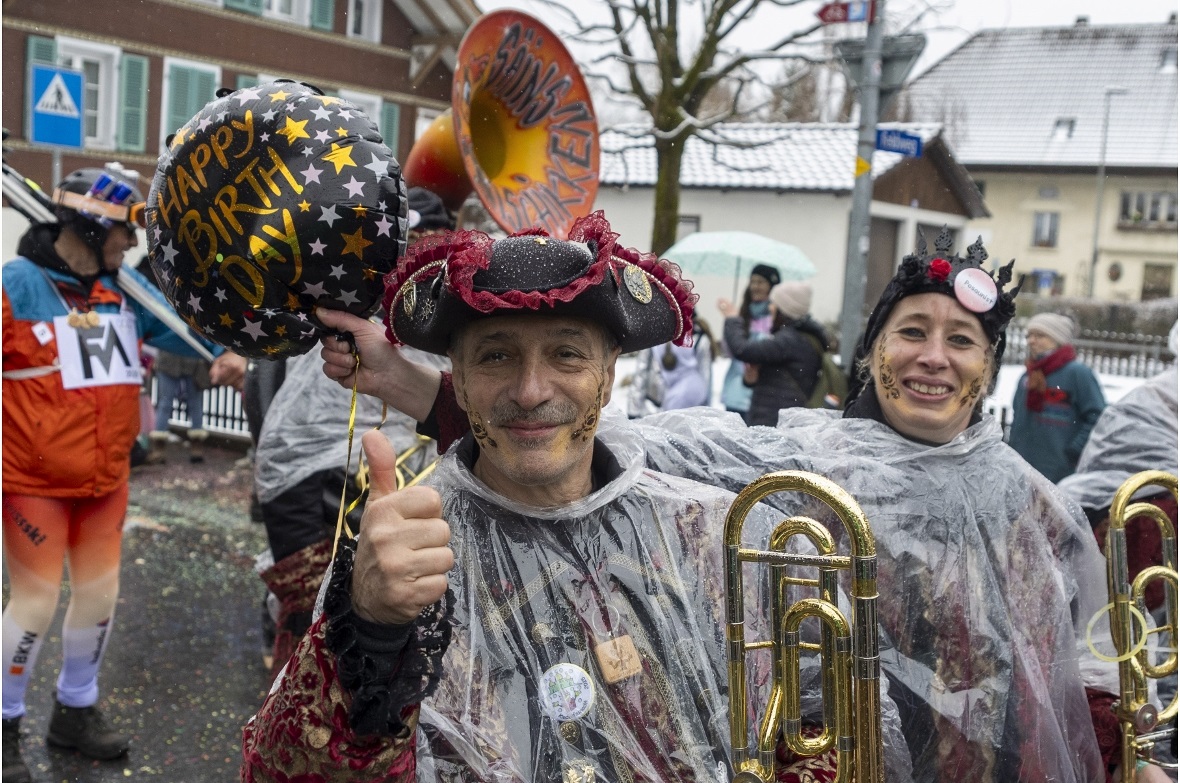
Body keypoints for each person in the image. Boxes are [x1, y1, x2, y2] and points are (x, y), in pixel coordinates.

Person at [370, 228, 1168, 783]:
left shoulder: (1035, 503)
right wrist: (420, 387)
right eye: (910, 331)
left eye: (962, 340)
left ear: (989, 365)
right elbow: (584, 450)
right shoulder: (792, 462)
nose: (933, 357)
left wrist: (1131, 753)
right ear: (872, 350)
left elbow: (1086, 662)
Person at [241, 213, 915, 782]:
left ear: (609, 374)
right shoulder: (404, 558)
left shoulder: (706, 533)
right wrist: (371, 629)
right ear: (461, 379)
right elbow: (286, 770)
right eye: (496, 356)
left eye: (566, 354)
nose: (531, 390)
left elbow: (831, 733)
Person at [1, 166, 246, 783]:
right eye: (126, 229)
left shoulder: (125, 291)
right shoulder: (17, 284)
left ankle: (75, 710)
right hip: (34, 483)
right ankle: (4, 723)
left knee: (99, 598)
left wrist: (227, 353)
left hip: (106, 481)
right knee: (34, 605)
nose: (133, 242)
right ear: (91, 225)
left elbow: (186, 331)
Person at [1008, 312, 1106, 482]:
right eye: (1029, 336)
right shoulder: (1028, 376)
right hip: (1022, 471)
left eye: (1039, 336)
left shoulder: (1077, 374)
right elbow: (1018, 417)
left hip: (1061, 474)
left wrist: (1073, 452)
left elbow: (1098, 417)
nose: (1031, 341)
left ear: (1057, 339)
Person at [718, 279, 830, 426]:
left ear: (785, 309)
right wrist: (752, 380)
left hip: (775, 423)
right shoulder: (800, 337)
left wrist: (733, 319)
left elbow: (743, 350)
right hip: (779, 419)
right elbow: (779, 382)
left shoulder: (790, 340)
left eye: (774, 304)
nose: (770, 308)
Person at [719, 263, 779, 418]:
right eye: (752, 281)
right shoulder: (741, 316)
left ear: (772, 286)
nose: (755, 286)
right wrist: (730, 324)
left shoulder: (777, 319)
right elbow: (728, 352)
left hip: (762, 396)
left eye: (761, 282)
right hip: (736, 392)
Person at [146, 346, 214, 463]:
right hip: (172, 360)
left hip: (188, 360)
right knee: (167, 404)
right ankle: (159, 446)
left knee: (193, 404)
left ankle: (195, 444)